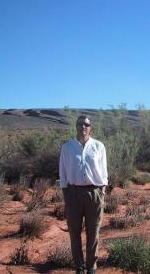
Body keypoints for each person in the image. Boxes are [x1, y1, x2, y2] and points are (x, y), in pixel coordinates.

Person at [59, 115, 108, 274]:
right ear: (76, 126)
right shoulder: (67, 147)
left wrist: (103, 188)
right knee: (74, 232)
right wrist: (66, 192)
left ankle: (91, 267)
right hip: (73, 193)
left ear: (90, 128)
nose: (83, 127)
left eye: (86, 124)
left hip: (94, 193)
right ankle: (79, 267)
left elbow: (104, 170)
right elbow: (63, 171)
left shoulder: (98, 146)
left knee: (93, 232)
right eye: (80, 124)